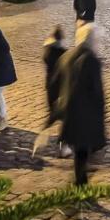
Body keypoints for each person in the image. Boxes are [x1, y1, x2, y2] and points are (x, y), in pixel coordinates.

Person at [55, 23, 106, 186]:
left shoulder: (67, 55)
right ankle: (79, 183)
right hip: (86, 114)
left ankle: (80, 180)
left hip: (70, 112)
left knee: (79, 150)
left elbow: (55, 82)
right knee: (83, 150)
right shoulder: (92, 60)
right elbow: (97, 92)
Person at [32, 26, 70, 157]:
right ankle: (63, 146)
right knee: (64, 119)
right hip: (61, 90)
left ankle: (43, 136)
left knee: (53, 115)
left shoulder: (47, 52)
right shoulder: (63, 53)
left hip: (50, 89)